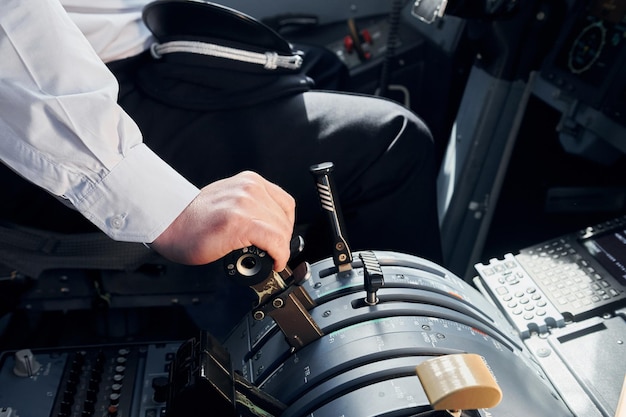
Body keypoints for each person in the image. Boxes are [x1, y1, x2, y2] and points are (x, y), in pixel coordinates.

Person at [0, 0, 443, 275]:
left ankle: (322, 298)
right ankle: (402, 379)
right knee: (393, 143)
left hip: (142, 48)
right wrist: (166, 209)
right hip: (66, 107)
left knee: (326, 67)